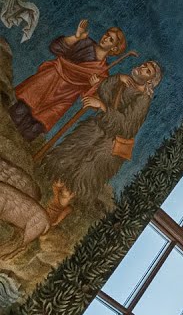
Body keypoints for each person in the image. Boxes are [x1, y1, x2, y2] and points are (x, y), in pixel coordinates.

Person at [42, 60, 161, 220]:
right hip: (94, 131)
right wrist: (117, 78)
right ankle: (56, 208)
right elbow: (105, 94)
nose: (142, 68)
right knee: (59, 177)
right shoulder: (125, 83)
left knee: (74, 183)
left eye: (148, 71)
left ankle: (52, 215)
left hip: (108, 147)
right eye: (144, 65)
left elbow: (126, 127)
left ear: (150, 81)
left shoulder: (143, 100)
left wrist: (103, 107)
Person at [9, 21, 125, 141]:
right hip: (50, 79)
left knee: (33, 128)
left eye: (111, 39)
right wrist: (76, 37)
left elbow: (88, 97)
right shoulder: (85, 42)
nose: (105, 38)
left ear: (114, 48)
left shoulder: (103, 72)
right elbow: (55, 48)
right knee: (19, 111)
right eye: (107, 34)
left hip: (65, 96)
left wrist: (94, 86)